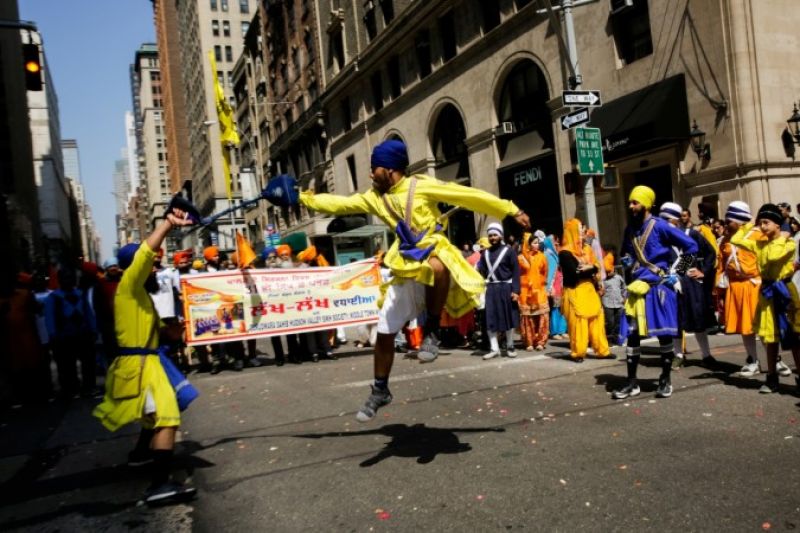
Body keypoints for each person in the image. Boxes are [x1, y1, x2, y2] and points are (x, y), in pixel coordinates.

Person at [298, 139, 529, 421]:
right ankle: (380, 389)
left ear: (391, 169)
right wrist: (303, 199)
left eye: (374, 169)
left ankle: (431, 331)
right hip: (405, 264)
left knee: (438, 266)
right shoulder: (374, 197)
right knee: (384, 331)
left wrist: (510, 209)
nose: (371, 174)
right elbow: (341, 203)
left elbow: (467, 195)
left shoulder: (421, 186)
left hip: (432, 251)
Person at [93, 206, 197, 505]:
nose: (157, 270)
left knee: (155, 418)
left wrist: (173, 331)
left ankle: (140, 455)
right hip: (141, 366)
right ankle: (159, 485)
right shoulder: (129, 284)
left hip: (146, 363)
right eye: (153, 265)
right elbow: (142, 258)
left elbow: (155, 331)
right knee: (167, 419)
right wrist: (167, 224)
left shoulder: (140, 296)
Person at [613, 186, 699, 400]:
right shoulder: (630, 230)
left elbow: (692, 246)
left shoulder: (661, 226)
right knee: (633, 336)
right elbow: (626, 254)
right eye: (630, 202)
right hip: (637, 288)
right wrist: (627, 261)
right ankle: (632, 382)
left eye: (635, 202)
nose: (631, 206)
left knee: (663, 334)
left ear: (647, 204)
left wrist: (677, 273)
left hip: (659, 286)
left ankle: (665, 379)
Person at [731, 203, 800, 394]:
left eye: (766, 223)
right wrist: (750, 226)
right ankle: (771, 377)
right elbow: (736, 239)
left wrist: (784, 233)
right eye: (760, 223)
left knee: (794, 336)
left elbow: (772, 256)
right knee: (770, 338)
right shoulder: (759, 241)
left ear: (778, 224)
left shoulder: (788, 243)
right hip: (767, 292)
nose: (762, 227)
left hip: (784, 291)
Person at [658, 202, 719, 368]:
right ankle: (678, 355)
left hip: (690, 282)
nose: (665, 224)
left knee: (698, 317)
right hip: (670, 283)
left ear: (676, 220)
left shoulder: (690, 234)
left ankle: (706, 355)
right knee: (676, 319)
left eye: (668, 220)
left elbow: (710, 253)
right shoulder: (660, 238)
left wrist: (703, 272)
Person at [718, 201, 764, 376]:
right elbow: (719, 264)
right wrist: (719, 291)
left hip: (753, 286)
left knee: (762, 326)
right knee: (744, 327)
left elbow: (692, 251)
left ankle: (775, 360)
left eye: (728, 220)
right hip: (734, 287)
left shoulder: (757, 234)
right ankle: (678, 356)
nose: (725, 223)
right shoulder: (723, 240)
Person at [557, 219, 611, 362]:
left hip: (589, 290)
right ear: (573, 231)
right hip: (576, 291)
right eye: (580, 228)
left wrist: (592, 268)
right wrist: (592, 268)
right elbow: (575, 273)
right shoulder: (564, 253)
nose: (583, 230)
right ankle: (578, 353)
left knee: (597, 319)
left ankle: (603, 351)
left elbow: (596, 266)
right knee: (578, 324)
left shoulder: (586, 249)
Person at [45, 267, 95, 399]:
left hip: (82, 334)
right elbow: (49, 318)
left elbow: (89, 314)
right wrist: (53, 334)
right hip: (63, 337)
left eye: (71, 277)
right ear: (60, 280)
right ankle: (70, 388)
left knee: (87, 363)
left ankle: (88, 387)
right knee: (66, 365)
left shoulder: (81, 294)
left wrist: (93, 329)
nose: (69, 280)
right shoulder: (53, 297)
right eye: (65, 277)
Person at [478, 223, 521, 360]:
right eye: (490, 235)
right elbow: (482, 272)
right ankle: (494, 348)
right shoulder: (485, 253)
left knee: (508, 318)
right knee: (490, 318)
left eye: (495, 235)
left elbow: (515, 272)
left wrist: (516, 290)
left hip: (506, 288)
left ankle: (510, 345)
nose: (492, 237)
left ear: (501, 235)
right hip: (491, 289)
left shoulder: (509, 251)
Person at [518, 232, 549, 351]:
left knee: (542, 316)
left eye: (537, 243)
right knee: (527, 317)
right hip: (525, 290)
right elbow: (517, 273)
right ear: (528, 244)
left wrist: (543, 284)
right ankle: (529, 341)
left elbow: (545, 272)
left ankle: (541, 341)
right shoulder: (521, 258)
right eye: (534, 243)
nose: (537, 245)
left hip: (539, 290)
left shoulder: (542, 256)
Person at [543, 235, 567, 340]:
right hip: (553, 284)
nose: (555, 242)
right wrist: (549, 287)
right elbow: (548, 272)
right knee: (554, 308)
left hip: (560, 283)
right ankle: (554, 331)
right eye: (553, 241)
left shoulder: (555, 253)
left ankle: (562, 330)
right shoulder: (547, 254)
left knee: (562, 307)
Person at [602, 265, 626, 346]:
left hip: (618, 303)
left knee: (618, 322)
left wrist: (624, 297)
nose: (608, 274)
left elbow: (623, 287)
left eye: (610, 272)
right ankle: (608, 340)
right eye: (607, 272)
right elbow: (600, 291)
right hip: (608, 303)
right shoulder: (603, 280)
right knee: (610, 323)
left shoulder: (618, 278)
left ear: (613, 270)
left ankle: (616, 339)